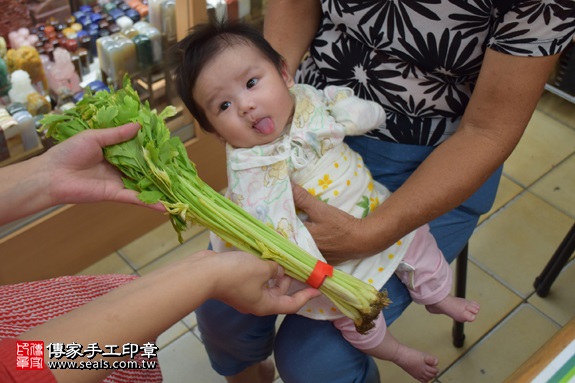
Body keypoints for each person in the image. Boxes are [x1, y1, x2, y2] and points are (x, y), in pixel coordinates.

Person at [256, 1, 575, 382]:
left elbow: (488, 131)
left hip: (436, 163)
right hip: (310, 127)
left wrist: (368, 236)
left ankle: (428, 302)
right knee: (224, 307)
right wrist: (262, 94)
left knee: (316, 361)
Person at [170, 20, 481, 382]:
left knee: (418, 243)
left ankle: (438, 295)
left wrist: (360, 114)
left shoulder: (306, 100)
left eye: (252, 83)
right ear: (216, 134)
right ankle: (397, 353)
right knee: (355, 317)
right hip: (323, 255)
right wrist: (306, 261)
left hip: (376, 204)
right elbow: (266, 221)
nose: (246, 106)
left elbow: (341, 106)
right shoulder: (249, 168)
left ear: (285, 74)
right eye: (223, 106)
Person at [0, 123, 320, 383]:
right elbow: (26, 366)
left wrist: (46, 175)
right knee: (126, 349)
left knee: (132, 339)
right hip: (38, 361)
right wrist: (207, 273)